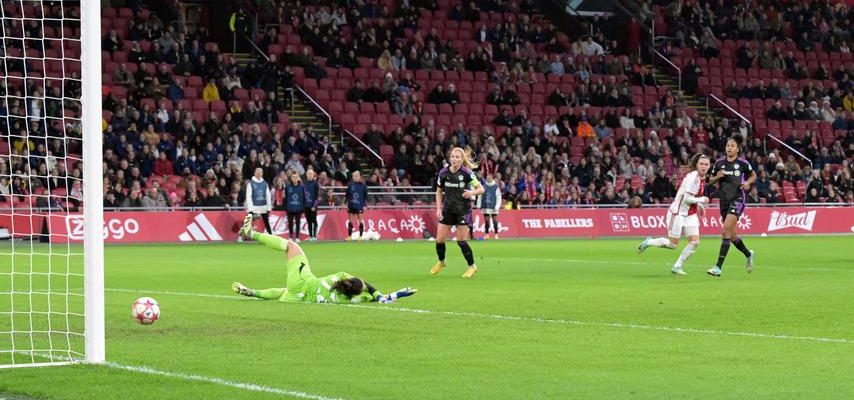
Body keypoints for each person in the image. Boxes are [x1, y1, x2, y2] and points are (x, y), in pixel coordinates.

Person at [233, 215, 417, 304]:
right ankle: (252, 292)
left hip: (302, 280)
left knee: (291, 246)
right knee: (283, 293)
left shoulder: (340, 275)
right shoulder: (349, 301)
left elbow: (366, 285)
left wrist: (378, 294)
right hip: (299, 298)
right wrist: (393, 295)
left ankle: (252, 233)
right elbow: (374, 296)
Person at [636, 154, 711, 275]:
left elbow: (693, 197)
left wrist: (700, 206)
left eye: (706, 164)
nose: (704, 166)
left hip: (690, 214)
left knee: (695, 242)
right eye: (701, 164)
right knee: (672, 245)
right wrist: (702, 200)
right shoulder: (693, 178)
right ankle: (649, 242)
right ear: (697, 165)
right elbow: (687, 198)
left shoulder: (702, 178)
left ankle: (677, 266)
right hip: (678, 213)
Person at [431, 147, 485, 278]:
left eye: (457, 157)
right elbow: (438, 191)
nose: (454, 159)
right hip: (448, 210)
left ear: (462, 160)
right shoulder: (443, 173)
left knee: (461, 241)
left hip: (462, 210)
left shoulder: (466, 173)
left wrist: (471, 192)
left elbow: (481, 189)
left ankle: (472, 267)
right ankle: (441, 262)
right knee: (439, 240)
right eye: (452, 156)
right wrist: (438, 208)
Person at [707, 136, 756, 277]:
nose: (729, 148)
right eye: (728, 145)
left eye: (732, 146)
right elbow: (710, 181)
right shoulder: (719, 163)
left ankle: (718, 267)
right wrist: (717, 177)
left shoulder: (742, 163)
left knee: (725, 231)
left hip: (738, 198)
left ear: (737, 149)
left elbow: (753, 175)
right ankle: (748, 254)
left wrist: (747, 183)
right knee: (733, 236)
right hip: (724, 201)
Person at [244, 167, 273, 235]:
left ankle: (270, 234)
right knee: (248, 220)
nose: (259, 174)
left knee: (266, 221)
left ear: (262, 174)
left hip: (263, 206)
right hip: (253, 206)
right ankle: (243, 235)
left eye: (260, 172)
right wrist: (250, 208)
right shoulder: (250, 184)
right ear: (255, 173)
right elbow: (248, 196)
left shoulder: (265, 184)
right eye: (257, 172)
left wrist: (269, 207)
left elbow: (268, 196)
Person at [476, 172, 502, 239]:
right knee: (486, 221)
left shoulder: (496, 187)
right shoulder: (483, 186)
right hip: (486, 205)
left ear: (492, 178)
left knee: (494, 221)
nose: (488, 179)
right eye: (487, 178)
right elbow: (480, 196)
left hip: (493, 206)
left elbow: (499, 197)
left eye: (489, 178)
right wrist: (478, 205)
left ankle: (496, 234)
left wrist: (497, 206)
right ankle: (486, 234)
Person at [345, 171, 368, 240]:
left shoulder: (363, 186)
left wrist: (365, 205)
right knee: (350, 221)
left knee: (360, 221)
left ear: (360, 176)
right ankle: (349, 236)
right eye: (354, 176)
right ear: (352, 177)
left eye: (357, 176)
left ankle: (360, 236)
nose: (356, 177)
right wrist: (345, 203)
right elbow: (347, 195)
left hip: (360, 205)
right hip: (351, 204)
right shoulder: (350, 185)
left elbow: (365, 196)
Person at [285, 172, 305, 242]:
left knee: (298, 222)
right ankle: (290, 236)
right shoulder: (288, 187)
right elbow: (285, 197)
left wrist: (303, 208)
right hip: (289, 208)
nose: (295, 178)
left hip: (298, 208)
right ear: (291, 178)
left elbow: (304, 198)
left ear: (298, 178)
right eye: (293, 177)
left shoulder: (301, 187)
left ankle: (297, 237)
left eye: (296, 177)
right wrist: (286, 207)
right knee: (290, 222)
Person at [303, 168, 320, 241]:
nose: (310, 175)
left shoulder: (315, 184)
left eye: (311, 174)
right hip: (306, 205)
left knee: (314, 220)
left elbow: (317, 196)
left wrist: (314, 206)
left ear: (313, 175)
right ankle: (310, 236)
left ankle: (314, 236)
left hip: (313, 206)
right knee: (308, 221)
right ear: (306, 175)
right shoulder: (303, 183)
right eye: (309, 174)